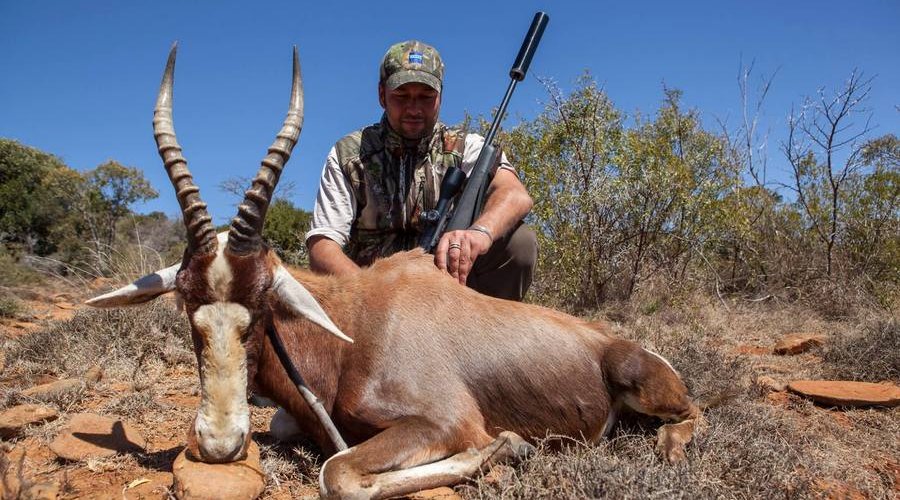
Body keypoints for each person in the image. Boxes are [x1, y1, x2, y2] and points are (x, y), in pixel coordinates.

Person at [306, 40, 537, 301]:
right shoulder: (348, 154)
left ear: (440, 96)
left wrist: (479, 232)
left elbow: (515, 195)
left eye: (426, 97)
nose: (414, 109)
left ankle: (490, 336)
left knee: (520, 243)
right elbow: (322, 245)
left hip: (447, 281)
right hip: (370, 294)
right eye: (401, 96)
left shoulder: (467, 146)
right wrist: (372, 297)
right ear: (382, 95)